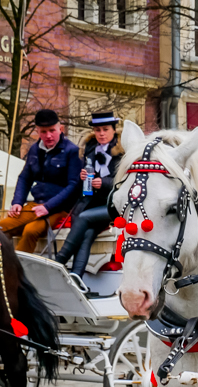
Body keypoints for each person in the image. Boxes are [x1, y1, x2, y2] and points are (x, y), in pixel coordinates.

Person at [54, 111, 123, 285]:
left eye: (105, 129)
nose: (101, 133)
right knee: (87, 233)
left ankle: (59, 260)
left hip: (115, 205)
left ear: (114, 130)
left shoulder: (123, 151)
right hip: (92, 202)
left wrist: (104, 183)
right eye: (98, 129)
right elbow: (83, 182)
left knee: (84, 218)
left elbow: (126, 180)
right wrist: (83, 176)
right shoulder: (90, 148)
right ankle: (77, 277)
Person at [1, 109, 81, 254]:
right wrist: (17, 202)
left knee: (31, 231)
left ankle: (19, 271)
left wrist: (48, 207)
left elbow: (73, 185)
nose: (48, 135)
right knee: (2, 226)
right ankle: (5, 264)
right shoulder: (34, 149)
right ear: (37, 131)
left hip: (59, 208)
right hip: (36, 204)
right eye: (43, 132)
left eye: (52, 130)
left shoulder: (72, 151)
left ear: (60, 129)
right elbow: (25, 178)